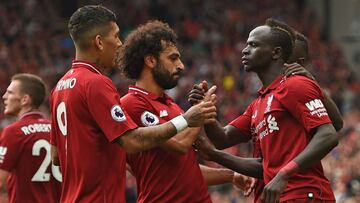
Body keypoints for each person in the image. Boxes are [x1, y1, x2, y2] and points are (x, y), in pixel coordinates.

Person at [50, 5, 217, 203]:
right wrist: (187, 119)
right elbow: (131, 141)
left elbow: (56, 157)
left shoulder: (59, 88)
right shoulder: (96, 83)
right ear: (99, 42)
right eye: (116, 36)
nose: (120, 43)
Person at [190, 18, 340, 202]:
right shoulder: (258, 103)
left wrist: (284, 174)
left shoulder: (295, 85)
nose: (244, 50)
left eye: (253, 45)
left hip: (303, 194)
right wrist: (205, 109)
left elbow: (329, 134)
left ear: (276, 53)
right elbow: (223, 139)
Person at [119, 20, 253, 203]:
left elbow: (184, 170)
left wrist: (230, 175)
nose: (181, 65)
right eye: (173, 58)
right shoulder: (132, 104)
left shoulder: (172, 105)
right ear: (150, 60)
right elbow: (180, 144)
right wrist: (201, 110)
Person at [0, 73, 61, 202]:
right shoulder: (56, 130)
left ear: (24, 100)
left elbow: (0, 181)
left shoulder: (13, 132)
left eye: (10, 93)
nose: (4, 97)